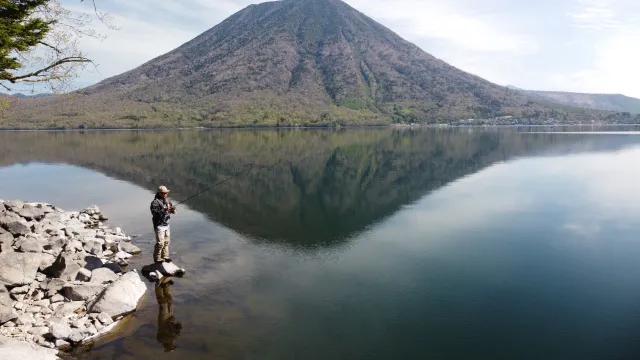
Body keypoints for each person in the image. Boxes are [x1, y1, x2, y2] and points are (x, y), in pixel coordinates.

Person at [150, 185, 176, 264]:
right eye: (165, 193)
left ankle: (165, 257)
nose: (166, 194)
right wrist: (164, 210)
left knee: (166, 242)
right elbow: (155, 213)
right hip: (159, 225)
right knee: (160, 243)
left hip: (166, 224)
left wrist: (173, 209)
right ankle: (157, 259)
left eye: (167, 192)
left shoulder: (167, 200)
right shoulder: (155, 202)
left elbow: (171, 207)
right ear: (160, 193)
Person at [155, 277, 182, 352]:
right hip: (169, 318)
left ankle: (159, 285)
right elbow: (175, 327)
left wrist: (175, 332)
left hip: (165, 319)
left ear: (170, 345)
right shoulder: (167, 338)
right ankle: (165, 285)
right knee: (168, 301)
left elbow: (175, 328)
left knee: (164, 303)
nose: (174, 344)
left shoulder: (165, 339)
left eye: (173, 345)